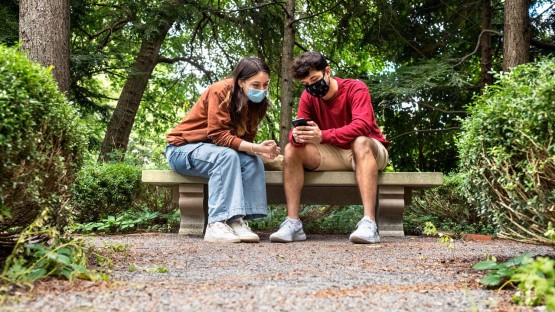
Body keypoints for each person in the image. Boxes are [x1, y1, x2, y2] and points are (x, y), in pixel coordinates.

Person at [269, 51, 389, 244]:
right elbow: (296, 133)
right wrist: (298, 136)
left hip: (369, 150)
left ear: (327, 71)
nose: (311, 86)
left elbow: (362, 126)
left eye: (314, 79)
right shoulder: (308, 98)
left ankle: (369, 224)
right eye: (306, 84)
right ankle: (293, 223)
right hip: (333, 151)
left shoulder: (356, 88)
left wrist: (323, 135)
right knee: (291, 149)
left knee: (359, 141)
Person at [166, 57, 280, 243]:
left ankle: (236, 220)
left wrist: (259, 151)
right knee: (226, 156)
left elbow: (243, 141)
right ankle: (216, 223)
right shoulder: (220, 91)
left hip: (216, 152)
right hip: (182, 150)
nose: (261, 90)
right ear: (241, 82)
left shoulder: (258, 103)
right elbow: (219, 136)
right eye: (256, 85)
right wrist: (253, 147)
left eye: (265, 85)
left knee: (251, 161)